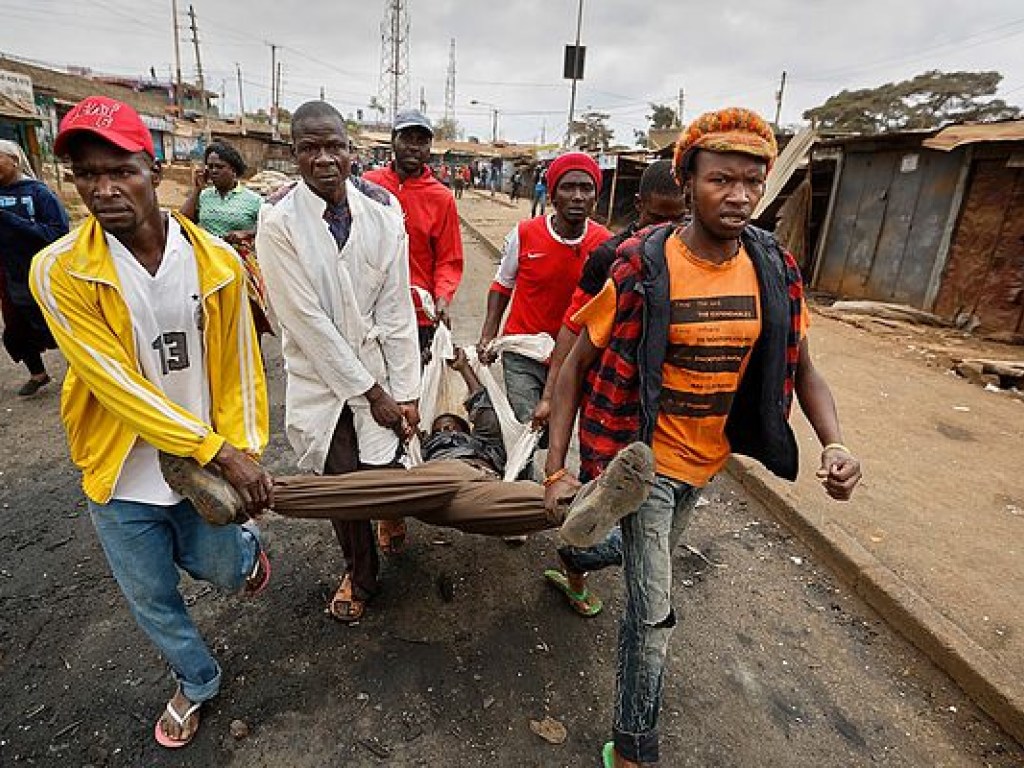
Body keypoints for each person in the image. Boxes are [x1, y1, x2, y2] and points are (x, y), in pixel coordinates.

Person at [543, 107, 863, 768]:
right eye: (723, 179)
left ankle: (578, 553)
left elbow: (803, 367)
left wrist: (834, 444)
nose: (740, 194)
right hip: (643, 457)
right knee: (653, 615)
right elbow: (575, 366)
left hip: (706, 459)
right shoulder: (642, 263)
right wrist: (557, 469)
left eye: (753, 181)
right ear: (688, 182)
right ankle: (634, 747)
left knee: (630, 556)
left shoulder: (773, 266)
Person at [30, 96, 272, 749]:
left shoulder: (216, 263)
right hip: (122, 474)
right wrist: (220, 451)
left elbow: (240, 370)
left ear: (156, 167)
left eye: (120, 170)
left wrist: (242, 455)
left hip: (204, 469)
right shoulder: (57, 271)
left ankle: (245, 553)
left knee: (220, 568)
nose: (102, 188)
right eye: (85, 174)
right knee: (152, 597)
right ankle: (196, 681)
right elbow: (113, 384)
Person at [256, 100, 421, 623]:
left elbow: (396, 307)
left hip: (378, 365)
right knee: (343, 485)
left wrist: (407, 391)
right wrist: (373, 394)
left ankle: (391, 515)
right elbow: (305, 322)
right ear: (294, 154)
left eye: (333, 146)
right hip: (319, 378)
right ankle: (359, 572)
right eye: (309, 148)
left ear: (352, 151)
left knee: (386, 466)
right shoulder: (278, 221)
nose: (323, 159)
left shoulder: (383, 213)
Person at [537, 158, 688, 617]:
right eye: (657, 218)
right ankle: (575, 574)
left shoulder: (698, 265)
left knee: (652, 522)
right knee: (604, 501)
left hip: (665, 415)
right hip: (610, 404)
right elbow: (573, 327)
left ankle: (583, 551)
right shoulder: (615, 258)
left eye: (678, 219)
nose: (666, 229)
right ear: (638, 206)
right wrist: (550, 396)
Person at [363, 109, 464, 552]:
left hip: (418, 323)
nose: (414, 147)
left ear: (429, 148)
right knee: (374, 407)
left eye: (422, 140)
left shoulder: (440, 197)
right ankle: (390, 510)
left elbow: (449, 259)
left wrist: (442, 296)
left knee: (410, 410)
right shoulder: (366, 186)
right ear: (394, 142)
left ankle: (412, 488)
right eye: (407, 138)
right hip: (367, 320)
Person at [477, 151, 611, 450]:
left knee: (552, 432)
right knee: (528, 426)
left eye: (586, 189)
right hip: (523, 351)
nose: (577, 196)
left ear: (595, 196)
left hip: (571, 359)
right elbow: (502, 285)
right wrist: (488, 334)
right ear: (552, 194)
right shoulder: (524, 233)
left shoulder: (605, 245)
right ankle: (523, 491)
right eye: (568, 187)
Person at [0, 139, 70, 396]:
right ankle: (38, 374)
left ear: (14, 160)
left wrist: (10, 220)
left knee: (62, 326)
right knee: (17, 330)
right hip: (12, 277)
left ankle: (83, 373)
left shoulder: (38, 193)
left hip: (46, 276)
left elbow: (58, 233)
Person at [180, 140, 271, 335]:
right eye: (210, 166)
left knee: (248, 314)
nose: (213, 171)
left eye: (219, 167)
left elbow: (269, 228)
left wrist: (247, 233)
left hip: (240, 263)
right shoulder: (203, 196)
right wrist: (197, 189)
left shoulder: (253, 200)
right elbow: (183, 222)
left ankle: (253, 353)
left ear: (233, 170)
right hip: (207, 260)